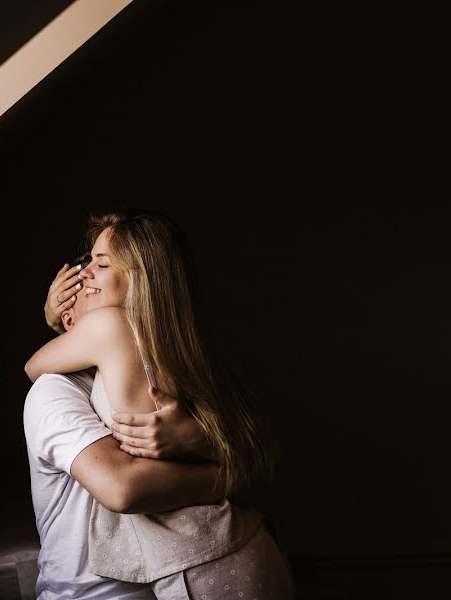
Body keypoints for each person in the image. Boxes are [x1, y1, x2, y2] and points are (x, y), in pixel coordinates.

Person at [26, 210, 294, 598]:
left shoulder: (110, 326)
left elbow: (33, 365)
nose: (81, 277)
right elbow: (260, 457)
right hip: (239, 544)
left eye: (100, 266)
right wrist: (228, 472)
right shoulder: (186, 351)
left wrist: (57, 320)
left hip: (200, 562)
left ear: (140, 279)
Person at [23, 273, 227, 598]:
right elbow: (123, 489)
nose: (93, 280)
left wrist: (200, 438)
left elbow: (259, 450)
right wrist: (230, 476)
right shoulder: (54, 391)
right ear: (67, 321)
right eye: (83, 285)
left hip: (178, 580)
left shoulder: (161, 378)